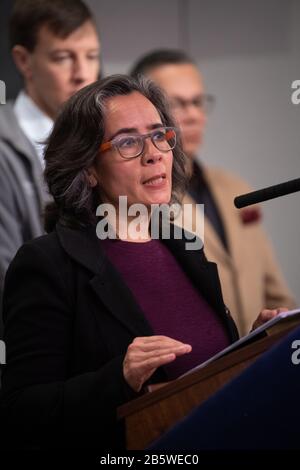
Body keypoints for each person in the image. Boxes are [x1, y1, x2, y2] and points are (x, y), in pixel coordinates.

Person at [0, 75, 280, 450]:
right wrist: (119, 379)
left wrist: (255, 347)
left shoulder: (184, 246)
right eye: (128, 142)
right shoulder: (48, 264)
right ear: (88, 168)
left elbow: (201, 377)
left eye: (159, 134)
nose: (154, 153)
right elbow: (21, 412)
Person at [130, 49, 296, 336]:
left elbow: (276, 294)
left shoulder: (236, 188)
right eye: (177, 104)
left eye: (197, 102)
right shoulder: (139, 204)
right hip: (197, 373)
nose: (193, 115)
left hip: (260, 365)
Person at [0, 0, 101, 326]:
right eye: (62, 57)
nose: (82, 74)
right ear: (23, 61)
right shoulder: (4, 151)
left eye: (92, 56)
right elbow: (7, 279)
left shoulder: (108, 138)